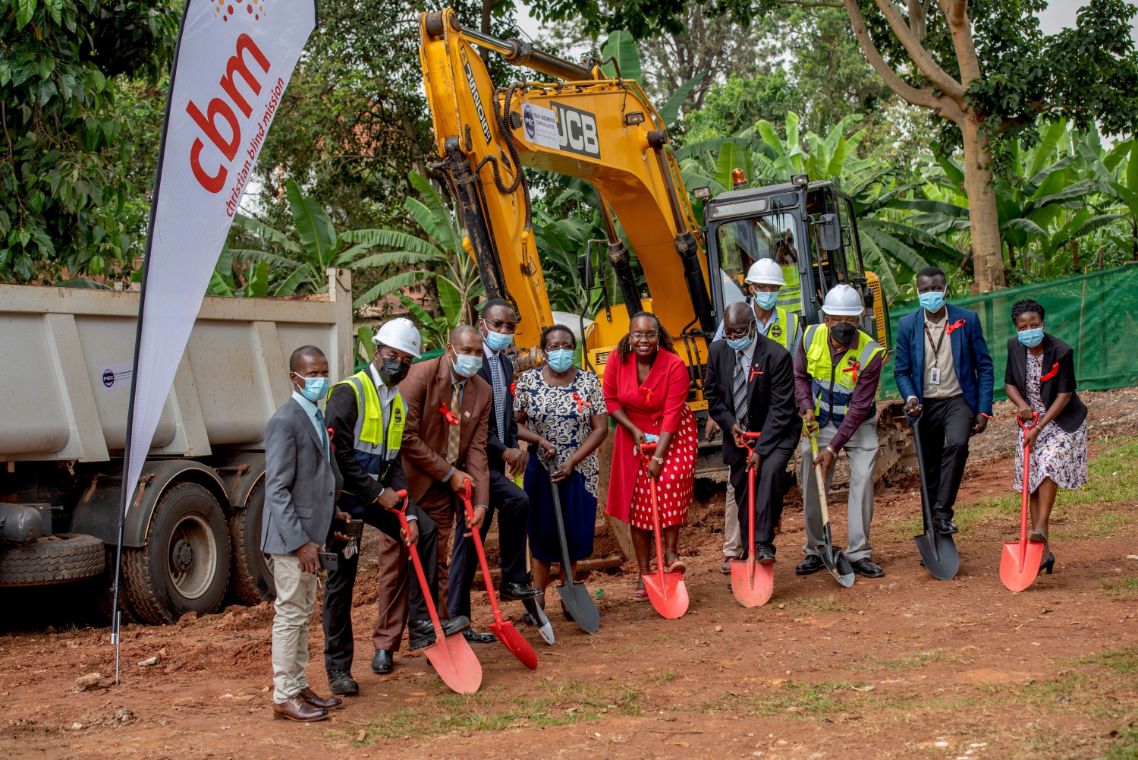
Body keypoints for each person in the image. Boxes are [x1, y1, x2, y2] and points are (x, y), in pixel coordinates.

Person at [323, 319, 464, 696]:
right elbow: (340, 456)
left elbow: (394, 463)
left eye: (405, 359)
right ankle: (339, 669)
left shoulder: (396, 402)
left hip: (378, 497)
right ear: (376, 352)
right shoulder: (348, 392)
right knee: (342, 584)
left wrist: (408, 512)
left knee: (428, 531)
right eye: (392, 356)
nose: (398, 363)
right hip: (344, 504)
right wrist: (375, 493)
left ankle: (421, 621)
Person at [396, 324, 495, 660]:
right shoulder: (421, 376)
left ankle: (434, 632)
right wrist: (450, 472)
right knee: (395, 565)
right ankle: (385, 645)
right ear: (449, 349)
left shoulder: (481, 390)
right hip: (408, 486)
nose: (472, 358)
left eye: (477, 352)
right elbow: (407, 439)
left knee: (437, 561)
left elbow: (477, 450)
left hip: (443, 491)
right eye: (466, 351)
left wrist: (481, 499)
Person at [262, 346, 345, 721]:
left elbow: (318, 479)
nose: (320, 379)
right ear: (294, 377)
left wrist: (332, 519)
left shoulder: (314, 414)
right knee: (290, 616)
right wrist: (300, 543)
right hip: (292, 541)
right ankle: (284, 695)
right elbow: (277, 489)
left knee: (302, 613)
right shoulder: (285, 420)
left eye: (324, 371)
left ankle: (298, 686)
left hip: (312, 537)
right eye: (312, 373)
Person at [449, 298, 539, 642]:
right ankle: (461, 617)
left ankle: (510, 582)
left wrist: (515, 446)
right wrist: (504, 449)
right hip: (472, 464)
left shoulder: (503, 364)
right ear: (481, 323)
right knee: (471, 538)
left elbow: (506, 415)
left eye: (509, 327)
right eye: (497, 325)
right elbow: (471, 427)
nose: (503, 332)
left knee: (481, 532)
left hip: (495, 460)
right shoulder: (472, 366)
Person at [710, 258, 804, 571]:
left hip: (776, 425)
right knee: (740, 486)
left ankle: (762, 542)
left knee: (770, 477)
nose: (735, 337)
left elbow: (783, 404)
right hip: (739, 427)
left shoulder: (780, 344)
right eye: (730, 333)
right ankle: (745, 547)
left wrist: (762, 449)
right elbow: (714, 391)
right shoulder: (722, 342)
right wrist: (729, 424)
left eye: (772, 288)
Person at [603, 312, 699, 600]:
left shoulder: (674, 365)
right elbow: (610, 400)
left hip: (672, 431)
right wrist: (632, 429)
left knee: (669, 483)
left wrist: (658, 457)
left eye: (650, 335)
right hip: (632, 431)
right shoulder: (617, 361)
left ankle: (670, 554)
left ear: (659, 337)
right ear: (629, 336)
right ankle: (645, 574)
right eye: (638, 334)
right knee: (638, 501)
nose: (643, 340)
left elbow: (672, 414)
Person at [514, 325, 608, 615]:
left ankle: (570, 591)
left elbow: (600, 427)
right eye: (554, 347)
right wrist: (539, 440)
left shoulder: (588, 382)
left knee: (575, 531)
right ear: (544, 351)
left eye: (567, 346)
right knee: (541, 533)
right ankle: (538, 596)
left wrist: (573, 461)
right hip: (542, 468)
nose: (561, 351)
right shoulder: (528, 382)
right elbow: (514, 423)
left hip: (579, 469)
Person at [794, 284, 886, 578]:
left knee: (862, 479)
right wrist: (806, 406)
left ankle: (858, 553)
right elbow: (799, 375)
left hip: (857, 425)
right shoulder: (810, 337)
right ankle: (816, 549)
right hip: (819, 421)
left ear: (859, 320)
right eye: (837, 320)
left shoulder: (870, 352)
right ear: (826, 319)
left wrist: (833, 448)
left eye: (851, 321)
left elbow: (859, 407)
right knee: (812, 477)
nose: (844, 326)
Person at [893, 266, 994, 535]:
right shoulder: (907, 325)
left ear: (946, 289)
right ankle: (931, 531)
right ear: (917, 292)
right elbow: (901, 371)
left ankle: (941, 513)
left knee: (958, 444)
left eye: (936, 288)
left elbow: (984, 366)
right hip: (924, 405)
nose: (931, 294)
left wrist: (984, 409)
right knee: (929, 466)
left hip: (958, 400)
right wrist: (911, 397)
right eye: (925, 290)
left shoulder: (967, 319)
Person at [1004, 299, 1088, 574]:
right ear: (1017, 329)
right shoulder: (1014, 347)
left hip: (1059, 419)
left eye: (1034, 325)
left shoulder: (1061, 351)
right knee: (1031, 480)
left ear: (1043, 324)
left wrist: (1040, 427)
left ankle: (1039, 528)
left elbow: (1065, 395)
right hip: (1029, 420)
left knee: (1049, 465)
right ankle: (1044, 552)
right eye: (1023, 326)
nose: (1029, 330)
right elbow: (1009, 384)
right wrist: (1021, 405)